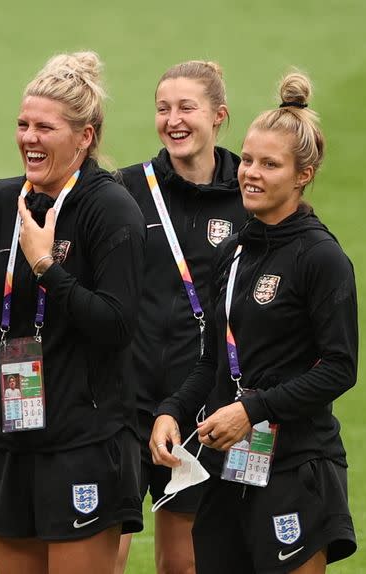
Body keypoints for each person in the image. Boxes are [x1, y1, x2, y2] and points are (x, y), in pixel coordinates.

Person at [0, 51, 146, 573]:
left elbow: (116, 325)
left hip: (84, 439)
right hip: (10, 432)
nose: (28, 137)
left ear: (85, 137)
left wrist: (47, 266)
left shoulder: (110, 208)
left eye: (44, 127)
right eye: (23, 125)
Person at [150, 71, 358, 573]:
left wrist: (251, 410)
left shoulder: (321, 257)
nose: (251, 173)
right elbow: (212, 361)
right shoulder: (235, 250)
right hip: (231, 473)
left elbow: (339, 368)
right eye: (246, 160)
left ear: (302, 174)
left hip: (296, 468)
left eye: (270, 164)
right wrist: (172, 410)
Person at [115, 60, 247, 574]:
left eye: (187, 107)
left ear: (219, 115)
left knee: (182, 563)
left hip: (202, 407)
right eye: (163, 108)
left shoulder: (248, 192)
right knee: (106, 556)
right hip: (126, 403)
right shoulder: (125, 189)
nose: (174, 119)